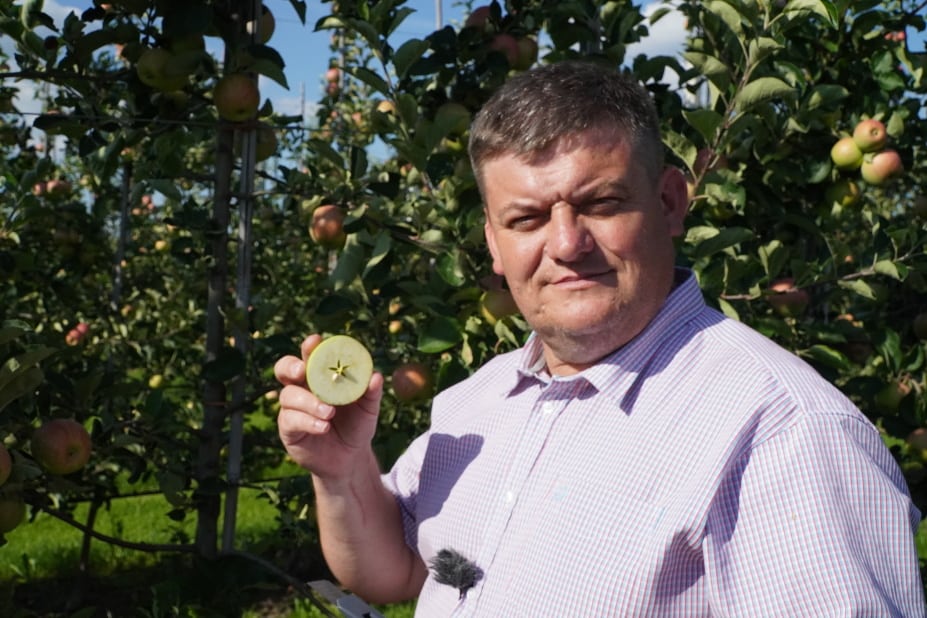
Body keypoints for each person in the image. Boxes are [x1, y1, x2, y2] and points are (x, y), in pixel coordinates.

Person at [275, 61, 925, 616]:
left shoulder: (782, 433)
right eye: (526, 218)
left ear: (669, 202)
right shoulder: (476, 403)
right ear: (493, 243)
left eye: (602, 204)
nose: (565, 244)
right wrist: (342, 471)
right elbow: (398, 573)